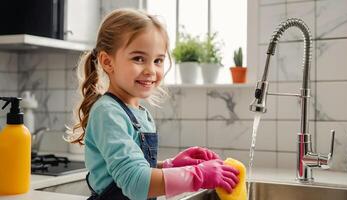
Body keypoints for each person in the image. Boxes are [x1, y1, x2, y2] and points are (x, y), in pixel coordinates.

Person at [67, 8, 239, 200]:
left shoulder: (141, 114)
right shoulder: (107, 112)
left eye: (158, 60)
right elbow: (135, 182)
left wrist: (169, 165)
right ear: (108, 62)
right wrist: (197, 175)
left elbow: (135, 167)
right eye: (139, 58)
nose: (151, 70)